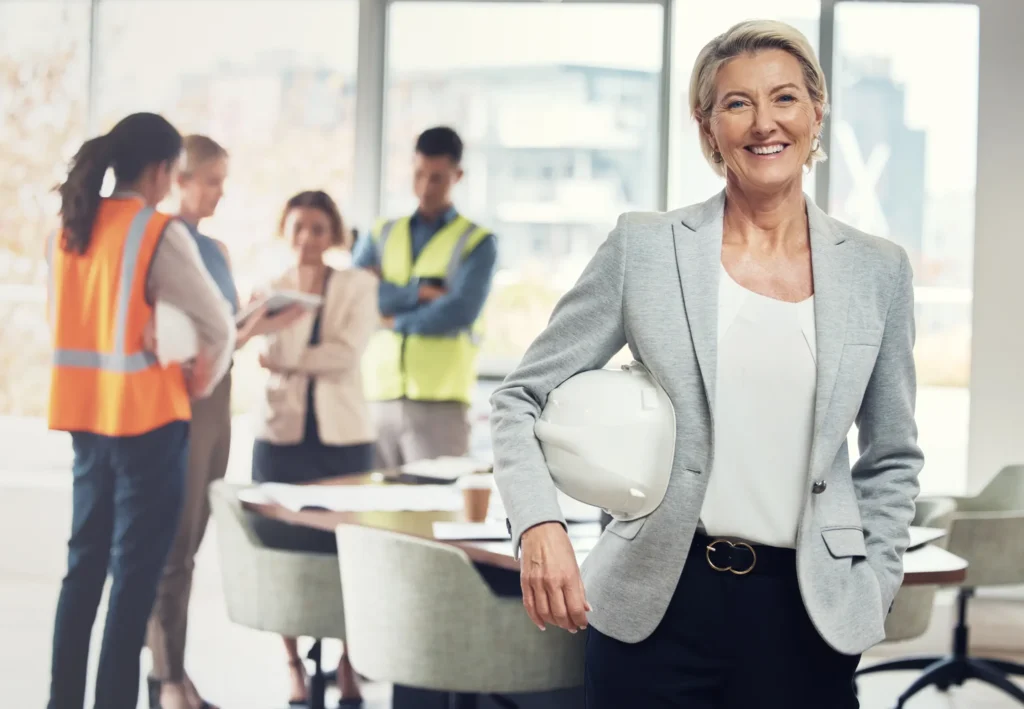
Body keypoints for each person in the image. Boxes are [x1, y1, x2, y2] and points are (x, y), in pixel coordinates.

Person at [490, 20, 923, 709]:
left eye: (784, 98)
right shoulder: (646, 248)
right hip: (657, 606)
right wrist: (539, 524)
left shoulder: (879, 272)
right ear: (707, 125)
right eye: (736, 103)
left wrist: (873, 584)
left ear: (817, 113)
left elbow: (892, 453)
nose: (763, 123)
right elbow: (519, 398)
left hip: (808, 613)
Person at [46, 113, 236, 709]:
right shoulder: (155, 231)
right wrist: (198, 376)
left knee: (82, 573)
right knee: (132, 583)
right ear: (160, 172)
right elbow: (218, 326)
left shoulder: (71, 226)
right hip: (149, 425)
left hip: (85, 420)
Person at [144, 135, 297, 709]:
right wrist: (242, 329)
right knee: (172, 546)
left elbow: (222, 329)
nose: (219, 193)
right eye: (210, 181)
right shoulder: (159, 240)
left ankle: (169, 670)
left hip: (218, 400)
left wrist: (256, 319)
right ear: (178, 179)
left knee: (189, 542)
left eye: (223, 182)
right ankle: (170, 677)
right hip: (179, 403)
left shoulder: (217, 249)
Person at [250, 190, 378, 707]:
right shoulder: (269, 287)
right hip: (281, 437)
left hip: (343, 440)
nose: (307, 239)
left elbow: (346, 355)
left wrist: (289, 355)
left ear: (334, 235)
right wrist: (292, 350)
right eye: (298, 227)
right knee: (286, 554)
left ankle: (350, 662)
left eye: (318, 229)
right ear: (286, 229)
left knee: (348, 553)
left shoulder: (359, 284)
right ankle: (292, 665)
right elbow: (266, 353)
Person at [353, 126, 497, 468]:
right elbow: (355, 293)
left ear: (457, 176)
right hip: (378, 397)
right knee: (372, 512)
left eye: (437, 178)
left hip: (441, 404)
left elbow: (459, 310)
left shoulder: (476, 242)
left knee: (436, 512)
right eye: (419, 175)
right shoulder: (382, 233)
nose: (425, 188)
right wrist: (420, 292)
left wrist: (393, 318)